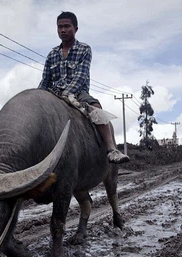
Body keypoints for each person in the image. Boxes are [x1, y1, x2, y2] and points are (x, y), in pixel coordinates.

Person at [38, 11, 129, 164]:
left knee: (97, 110)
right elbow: (45, 81)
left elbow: (81, 76)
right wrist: (38, 98)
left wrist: (66, 95)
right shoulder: (52, 54)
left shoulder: (84, 49)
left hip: (78, 93)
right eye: (59, 27)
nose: (63, 30)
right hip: (53, 94)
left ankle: (111, 149)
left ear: (76, 28)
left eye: (67, 26)